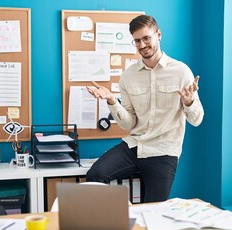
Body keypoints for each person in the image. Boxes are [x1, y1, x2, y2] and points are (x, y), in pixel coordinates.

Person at [86, 15, 204, 203]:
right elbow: (129, 123)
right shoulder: (128, 76)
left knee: (154, 209)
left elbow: (196, 120)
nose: (142, 45)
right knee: (95, 176)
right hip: (135, 145)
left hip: (163, 149)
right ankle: (110, 223)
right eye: (137, 41)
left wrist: (189, 102)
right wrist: (111, 100)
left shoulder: (181, 72)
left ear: (158, 35)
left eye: (146, 38)